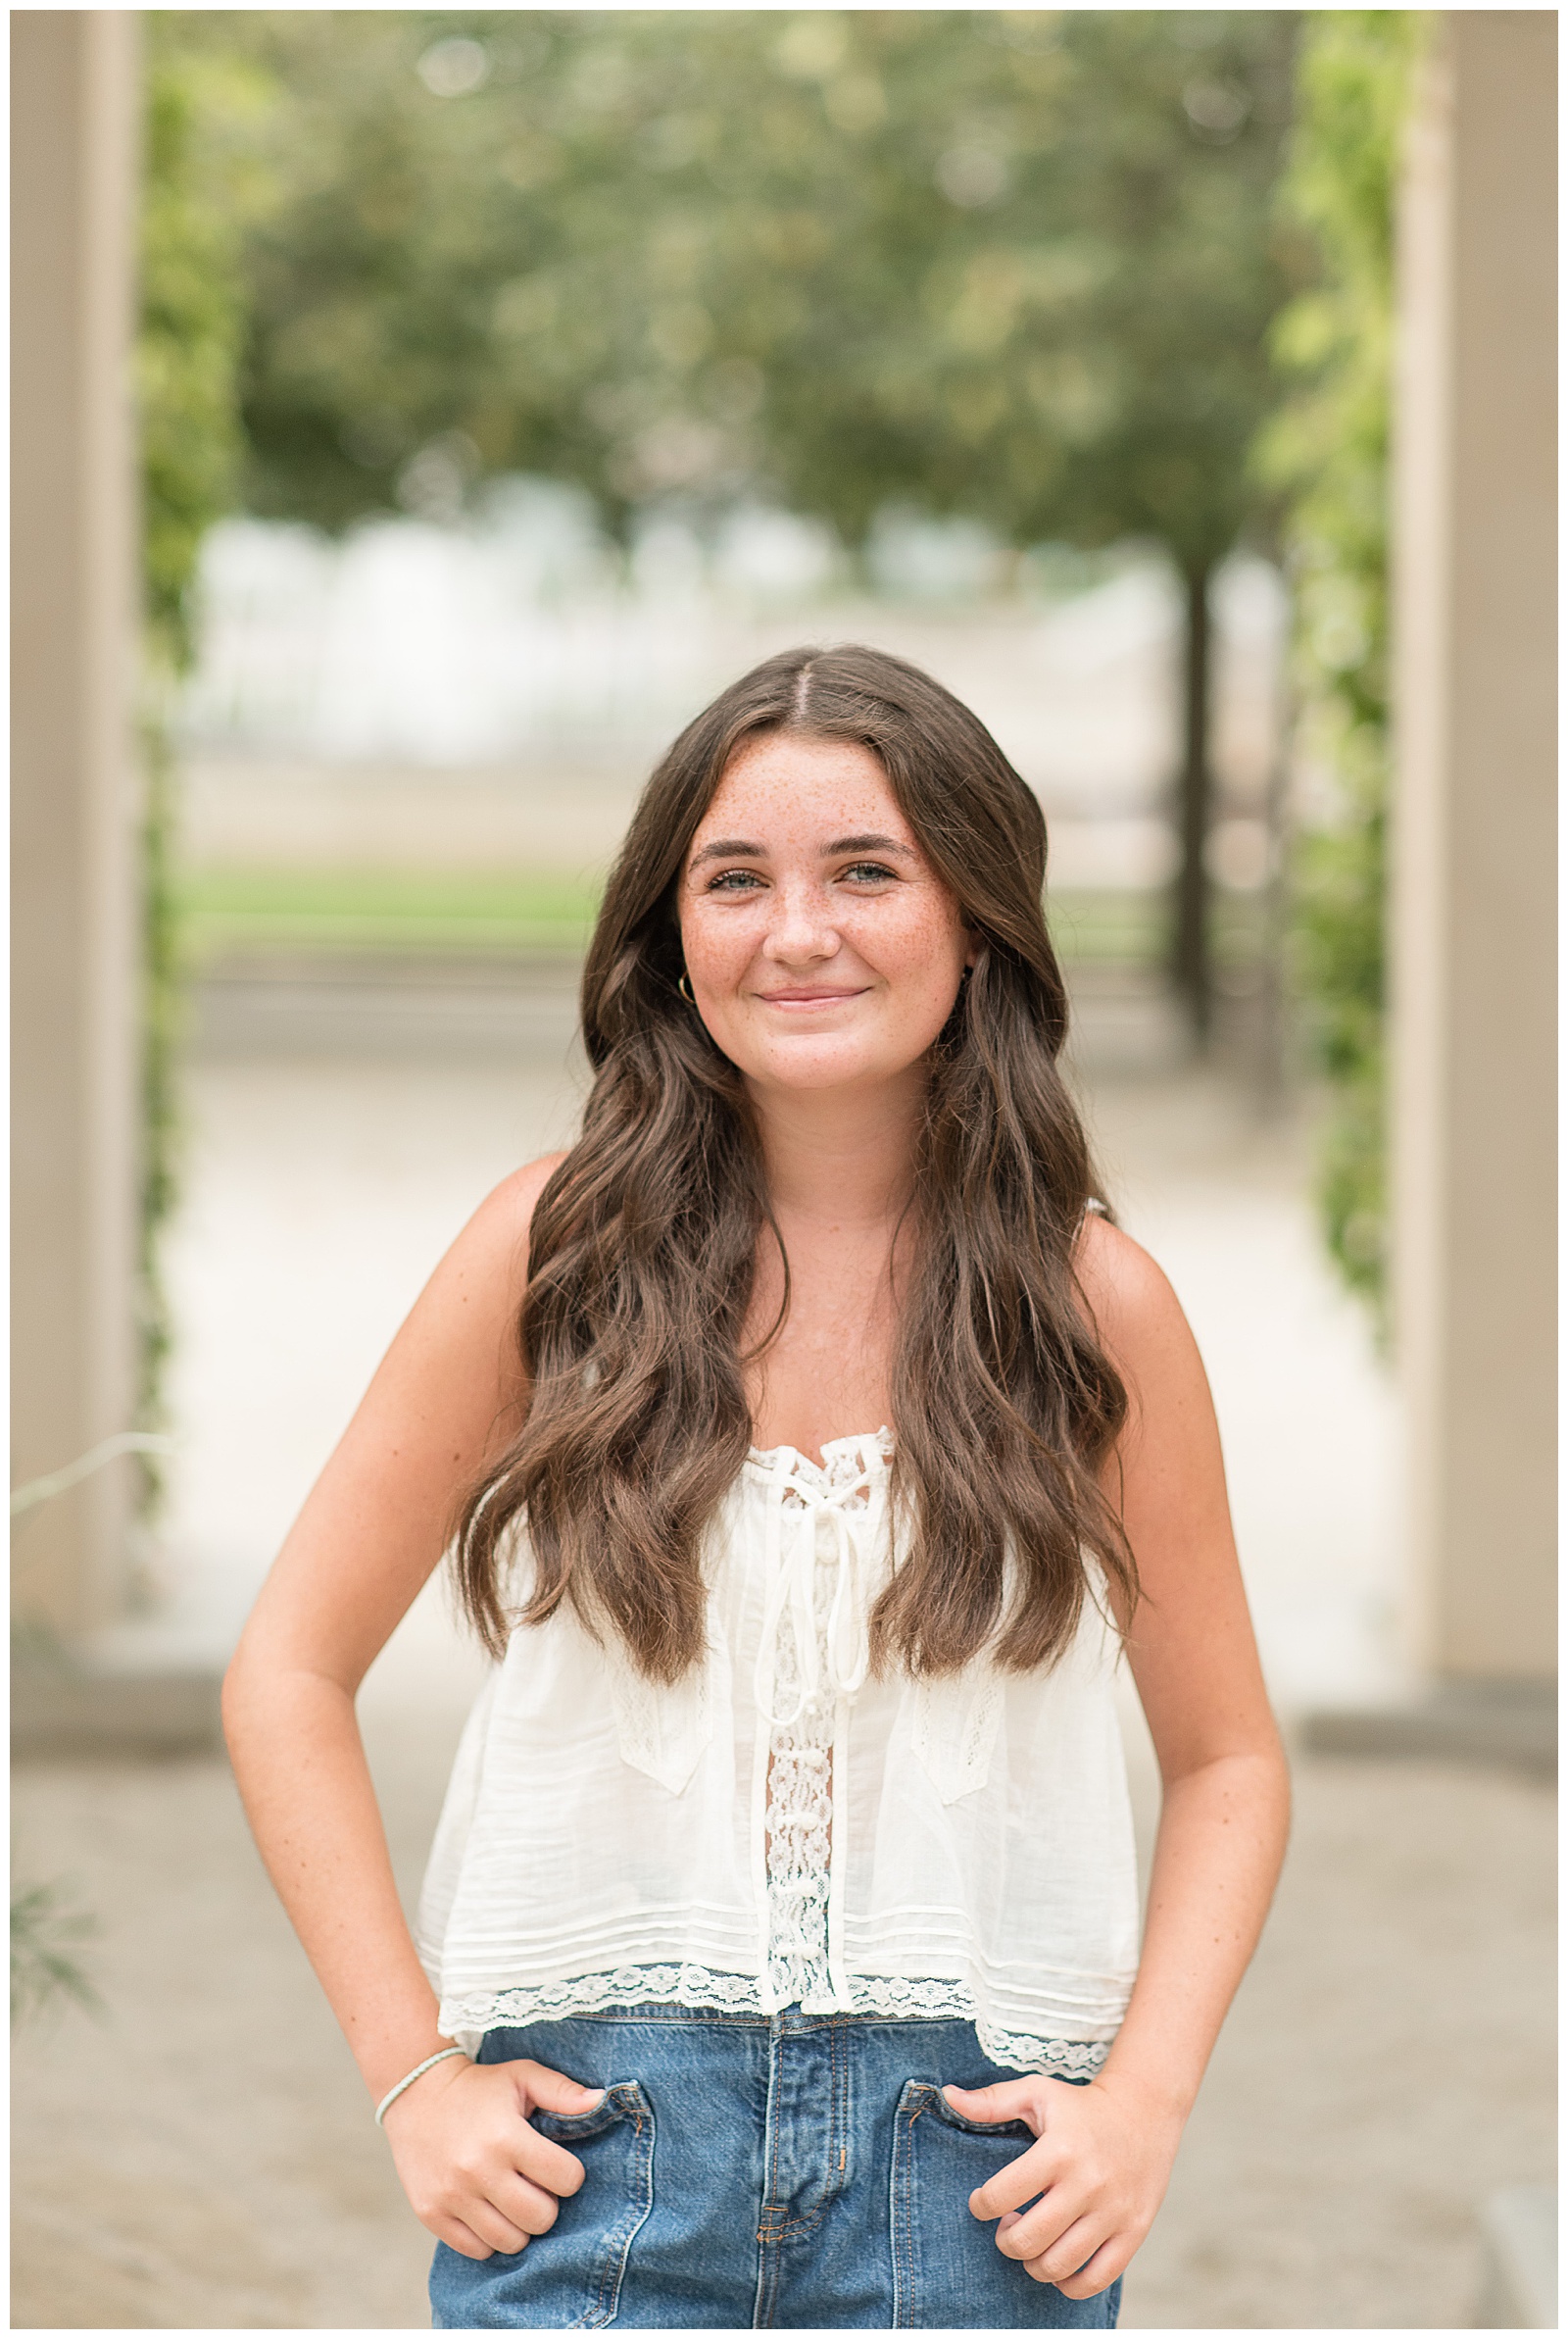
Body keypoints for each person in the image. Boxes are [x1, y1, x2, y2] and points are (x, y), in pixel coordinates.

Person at [224, 643, 1290, 2331]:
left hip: (976, 2186)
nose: (799, 933)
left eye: (866, 870)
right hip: (596, 2159)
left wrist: (1145, 2103)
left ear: (977, 914)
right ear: (672, 935)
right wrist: (409, 2073)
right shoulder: (546, 1255)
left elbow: (1229, 1755)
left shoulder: (1097, 1309)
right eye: (737, 880)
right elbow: (284, 1671)